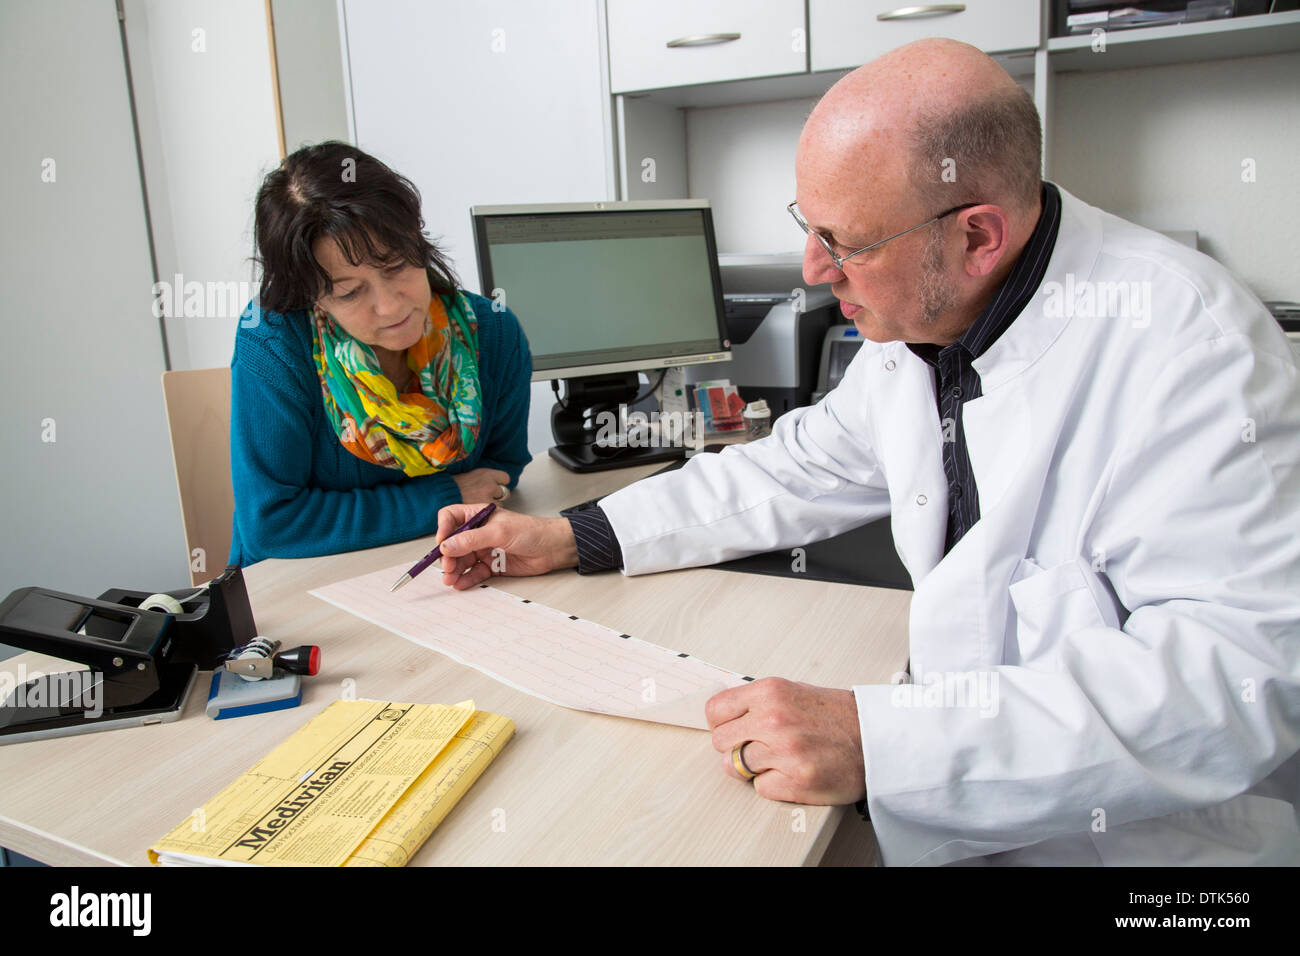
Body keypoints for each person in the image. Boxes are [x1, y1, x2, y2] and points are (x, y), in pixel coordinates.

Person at [431, 39, 1300, 866]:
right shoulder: (922, 320)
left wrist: (883, 743)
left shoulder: (1192, 346)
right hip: (973, 824)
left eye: (843, 243)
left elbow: (1237, 684)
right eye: (809, 228)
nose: (812, 270)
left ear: (976, 236)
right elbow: (797, 465)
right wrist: (572, 535)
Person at [228, 142, 532, 566]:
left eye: (396, 267)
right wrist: (443, 497)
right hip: (297, 588)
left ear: (417, 240)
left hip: (439, 568)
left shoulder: (493, 332)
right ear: (309, 296)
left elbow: (500, 474)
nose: (390, 306)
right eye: (350, 292)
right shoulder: (274, 342)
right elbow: (273, 525)